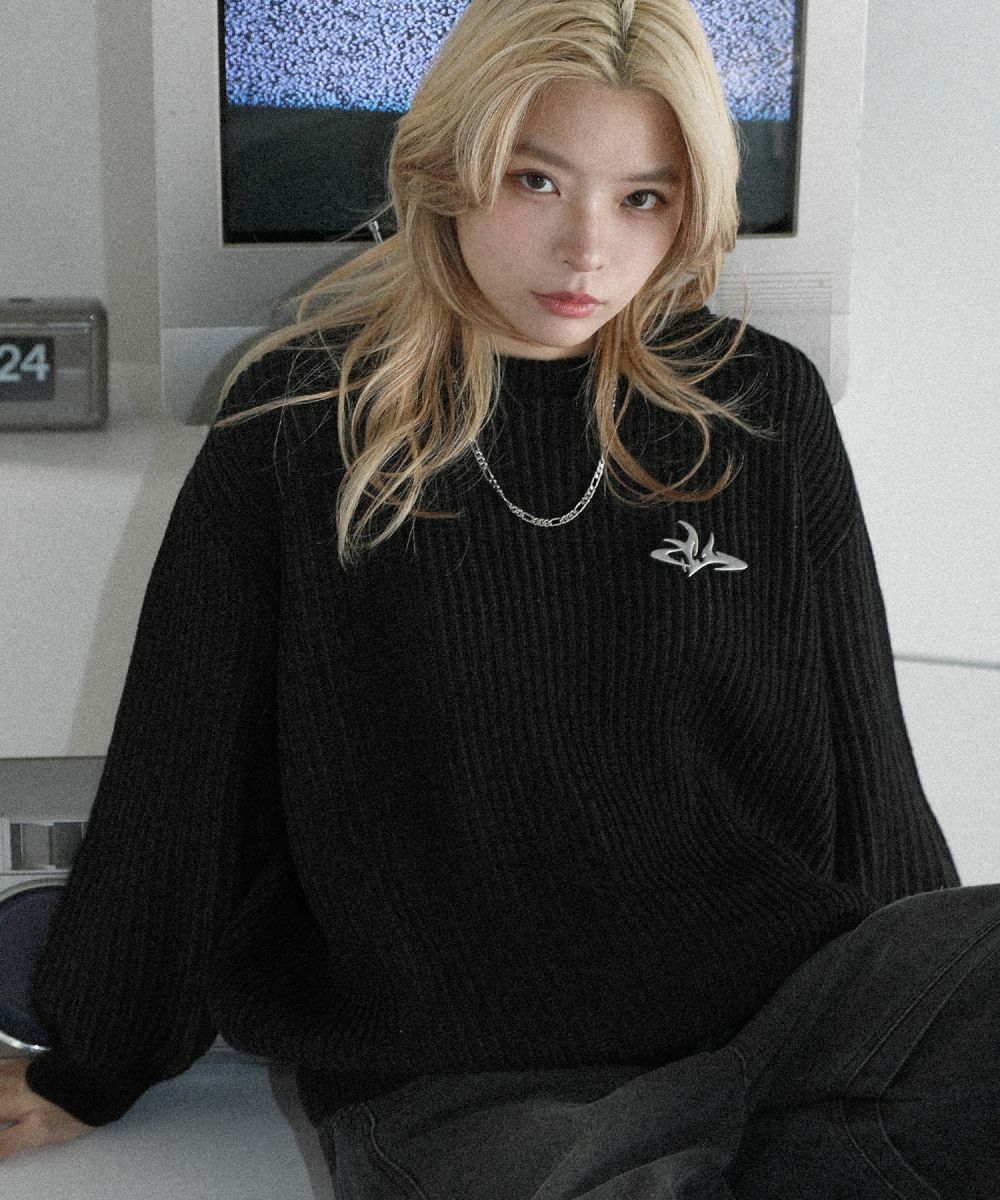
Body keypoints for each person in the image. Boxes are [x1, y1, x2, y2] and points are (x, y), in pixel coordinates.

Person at [1, 0, 996, 1195]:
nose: (587, 252)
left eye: (644, 197)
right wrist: (90, 1061)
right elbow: (186, 779)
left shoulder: (762, 405)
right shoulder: (298, 425)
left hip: (797, 1015)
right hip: (473, 1081)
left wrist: (930, 1020)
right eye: (537, 182)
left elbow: (871, 768)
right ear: (448, 168)